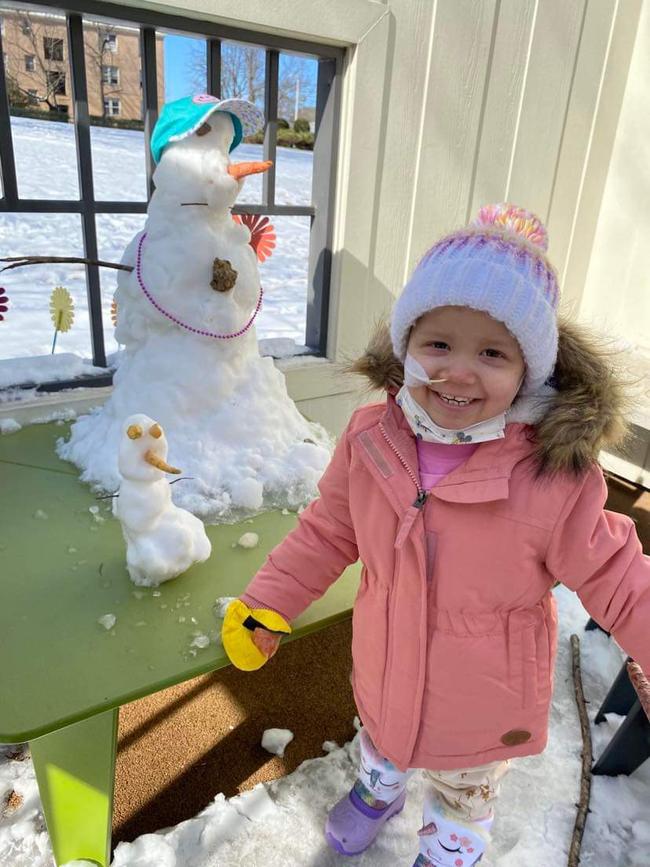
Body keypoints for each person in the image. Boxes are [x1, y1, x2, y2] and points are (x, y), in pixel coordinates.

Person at [221, 203, 650, 865]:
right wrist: (270, 601)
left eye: (492, 352)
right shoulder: (371, 440)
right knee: (382, 742)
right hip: (388, 665)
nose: (459, 370)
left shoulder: (552, 475)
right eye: (439, 344)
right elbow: (327, 531)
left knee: (463, 794)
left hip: (485, 704)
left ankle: (449, 847)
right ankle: (378, 790)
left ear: (529, 368)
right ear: (406, 345)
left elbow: (619, 575)